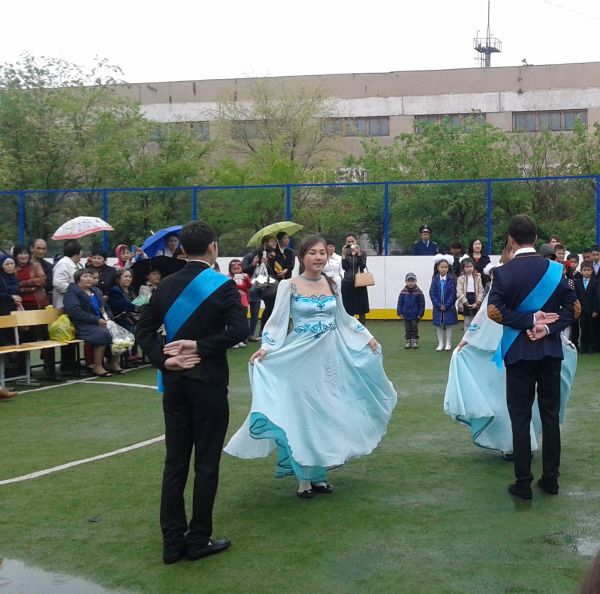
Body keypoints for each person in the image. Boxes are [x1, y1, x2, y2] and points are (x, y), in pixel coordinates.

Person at [224, 235, 397, 499]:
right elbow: (277, 321)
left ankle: (320, 475)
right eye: (312, 253)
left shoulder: (333, 283)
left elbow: (343, 318)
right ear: (302, 256)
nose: (318, 257)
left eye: (322, 253)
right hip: (300, 357)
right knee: (305, 414)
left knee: (326, 412)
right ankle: (304, 480)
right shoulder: (289, 285)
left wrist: (367, 338)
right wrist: (267, 348)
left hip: (330, 359)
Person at [135, 221, 248, 565]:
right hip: (208, 382)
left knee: (175, 463)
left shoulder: (165, 285)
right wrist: (200, 346)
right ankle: (198, 540)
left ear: (182, 250)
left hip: (175, 383)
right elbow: (239, 330)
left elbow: (143, 330)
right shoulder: (223, 285)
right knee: (207, 464)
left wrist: (164, 360)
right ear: (213, 247)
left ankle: (172, 543)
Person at [444, 254, 577, 458]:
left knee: (516, 404)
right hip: (512, 344)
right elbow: (563, 310)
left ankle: (519, 451)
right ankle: (531, 456)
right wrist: (467, 338)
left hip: (510, 346)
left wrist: (468, 338)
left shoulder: (505, 277)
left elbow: (489, 312)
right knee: (526, 404)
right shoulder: (546, 273)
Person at [488, 214, 577, 500]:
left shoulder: (502, 273)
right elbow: (574, 309)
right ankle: (551, 480)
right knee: (550, 416)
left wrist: (528, 320)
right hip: (549, 351)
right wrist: (547, 327)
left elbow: (494, 311)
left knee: (520, 417)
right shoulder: (556, 270)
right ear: (536, 238)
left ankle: (523, 483)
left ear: (511, 240)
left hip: (518, 354)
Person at [63, 269, 123, 377]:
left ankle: (113, 363)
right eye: (85, 276)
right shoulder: (72, 293)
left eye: (90, 276)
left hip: (100, 323)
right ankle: (97, 366)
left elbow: (106, 307)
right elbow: (75, 312)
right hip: (81, 325)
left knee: (119, 332)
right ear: (78, 279)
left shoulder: (96, 291)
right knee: (102, 333)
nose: (89, 279)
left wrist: (109, 318)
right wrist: (97, 320)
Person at [430, 254, 458, 351]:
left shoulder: (452, 279)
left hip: (449, 307)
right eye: (442, 267)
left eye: (446, 267)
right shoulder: (435, 279)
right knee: (439, 325)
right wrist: (438, 305)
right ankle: (440, 343)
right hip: (438, 307)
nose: (444, 269)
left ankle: (448, 343)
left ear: (448, 268)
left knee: (449, 324)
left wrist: (446, 305)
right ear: (438, 268)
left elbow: (453, 293)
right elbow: (432, 293)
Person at [340, 233, 369, 326]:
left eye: (352, 241)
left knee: (361, 308)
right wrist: (343, 254)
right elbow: (344, 267)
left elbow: (362, 266)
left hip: (359, 282)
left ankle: (362, 329)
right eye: (348, 242)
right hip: (347, 282)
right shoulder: (346, 252)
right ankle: (349, 328)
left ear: (356, 241)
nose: (350, 243)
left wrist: (358, 253)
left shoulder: (362, 252)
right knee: (348, 307)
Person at [13, 244, 48, 311]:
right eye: (20, 254)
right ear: (15, 256)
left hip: (39, 304)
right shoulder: (13, 269)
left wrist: (22, 283)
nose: (23, 256)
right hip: (21, 306)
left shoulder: (36, 265)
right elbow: (15, 287)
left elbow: (42, 280)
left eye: (25, 253)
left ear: (29, 254)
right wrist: (32, 288)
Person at [396, 272, 425, 349]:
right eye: (409, 281)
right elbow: (400, 303)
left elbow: (422, 304)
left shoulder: (419, 292)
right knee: (407, 329)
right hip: (406, 315)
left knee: (415, 328)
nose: (411, 283)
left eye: (413, 281)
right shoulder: (403, 292)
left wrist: (421, 313)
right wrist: (399, 312)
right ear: (406, 282)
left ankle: (415, 341)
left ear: (416, 281)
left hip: (415, 315)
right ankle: (408, 341)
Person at [455, 256, 484, 332]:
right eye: (467, 267)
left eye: (471, 266)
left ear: (474, 267)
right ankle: (466, 338)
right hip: (465, 301)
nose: (469, 268)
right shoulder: (460, 278)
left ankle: (473, 338)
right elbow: (459, 291)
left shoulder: (478, 277)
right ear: (463, 268)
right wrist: (465, 302)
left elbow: (481, 290)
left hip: (475, 300)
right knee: (467, 322)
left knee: (474, 322)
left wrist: (478, 302)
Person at [52, 239, 83, 309]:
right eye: (81, 251)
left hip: (74, 304)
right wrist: (79, 289)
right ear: (77, 252)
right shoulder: (63, 264)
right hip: (63, 305)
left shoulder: (77, 264)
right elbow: (59, 284)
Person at [228, 258, 252, 349]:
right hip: (232, 301)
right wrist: (233, 281)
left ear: (241, 268)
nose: (236, 271)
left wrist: (247, 279)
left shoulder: (245, 276)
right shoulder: (228, 277)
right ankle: (232, 341)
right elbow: (228, 287)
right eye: (234, 269)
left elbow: (249, 286)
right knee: (233, 321)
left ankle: (241, 339)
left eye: (238, 269)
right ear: (230, 269)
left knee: (243, 320)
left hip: (243, 301)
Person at [574, 261, 598, 354]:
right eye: (584, 270)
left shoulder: (595, 282)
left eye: (588, 270)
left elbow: (596, 297)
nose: (586, 272)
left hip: (591, 310)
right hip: (582, 310)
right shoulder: (578, 282)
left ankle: (591, 347)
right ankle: (583, 347)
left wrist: (595, 310)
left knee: (591, 328)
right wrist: (577, 309)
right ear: (581, 271)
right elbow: (576, 296)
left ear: (592, 271)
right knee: (583, 328)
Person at [241, 250, 261, 342]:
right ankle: (243, 335)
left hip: (257, 289)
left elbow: (270, 272)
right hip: (245, 290)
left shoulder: (266, 259)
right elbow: (242, 270)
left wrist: (265, 264)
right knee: (243, 313)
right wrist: (253, 264)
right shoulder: (249, 256)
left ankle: (251, 334)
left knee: (255, 313)